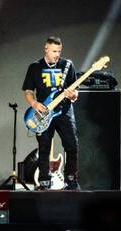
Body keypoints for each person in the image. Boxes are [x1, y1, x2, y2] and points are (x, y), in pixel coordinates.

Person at [22, 36, 79, 190]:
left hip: (64, 111)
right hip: (44, 113)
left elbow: (75, 91)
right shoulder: (35, 67)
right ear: (46, 49)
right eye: (54, 51)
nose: (57, 54)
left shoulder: (67, 65)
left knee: (72, 145)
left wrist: (72, 95)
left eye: (59, 51)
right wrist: (34, 103)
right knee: (44, 147)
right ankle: (44, 181)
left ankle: (71, 178)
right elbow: (28, 91)